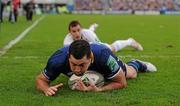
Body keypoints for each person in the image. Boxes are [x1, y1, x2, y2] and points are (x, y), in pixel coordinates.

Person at [36, 40, 157, 96]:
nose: (77, 70)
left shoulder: (104, 56)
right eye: (73, 64)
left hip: (102, 50)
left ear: (91, 58)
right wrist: (46, 89)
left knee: (130, 74)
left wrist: (99, 90)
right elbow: (40, 80)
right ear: (68, 57)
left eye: (82, 65)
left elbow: (122, 83)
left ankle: (138, 63)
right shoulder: (57, 60)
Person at [63, 20, 143, 52]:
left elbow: (100, 48)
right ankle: (92, 27)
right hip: (87, 40)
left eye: (78, 30)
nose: (77, 33)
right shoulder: (67, 43)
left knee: (109, 49)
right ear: (69, 32)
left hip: (91, 39)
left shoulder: (88, 34)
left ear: (82, 29)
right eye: (73, 31)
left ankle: (129, 41)